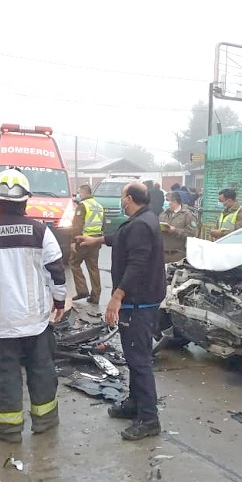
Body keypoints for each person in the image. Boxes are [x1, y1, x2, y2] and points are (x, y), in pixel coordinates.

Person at [0, 169, 67, 443]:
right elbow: (56, 270)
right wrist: (59, 301)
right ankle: (45, 423)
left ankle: (7, 431)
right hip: (36, 322)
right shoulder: (41, 231)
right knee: (41, 372)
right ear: (25, 202)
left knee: (5, 377)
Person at [75, 182, 165, 441]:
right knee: (135, 356)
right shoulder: (144, 220)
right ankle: (135, 403)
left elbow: (137, 264)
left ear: (128, 198)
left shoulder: (140, 225)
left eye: (122, 196)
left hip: (138, 304)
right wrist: (97, 239)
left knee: (139, 360)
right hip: (141, 301)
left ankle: (149, 419)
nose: (121, 201)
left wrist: (116, 297)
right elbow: (122, 239)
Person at [69, 184, 104, 304]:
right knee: (93, 268)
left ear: (84, 192)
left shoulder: (82, 205)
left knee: (74, 263)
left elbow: (77, 225)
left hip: (83, 240)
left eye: (79, 193)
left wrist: (74, 241)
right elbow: (103, 224)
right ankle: (95, 296)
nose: (78, 195)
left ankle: (82, 290)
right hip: (95, 241)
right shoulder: (99, 206)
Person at [159, 191, 198, 263]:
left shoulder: (187, 215)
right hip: (163, 254)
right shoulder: (163, 214)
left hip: (178, 254)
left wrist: (175, 230)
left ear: (175, 201)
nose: (166, 202)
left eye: (168, 200)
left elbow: (192, 234)